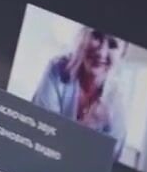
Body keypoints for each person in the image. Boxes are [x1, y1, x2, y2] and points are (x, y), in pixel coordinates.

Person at [30, 25, 128, 158]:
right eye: (97, 36)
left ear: (122, 54)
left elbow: (108, 160)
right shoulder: (57, 69)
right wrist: (88, 125)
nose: (101, 52)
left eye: (113, 45)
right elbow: (40, 133)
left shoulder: (116, 103)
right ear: (83, 36)